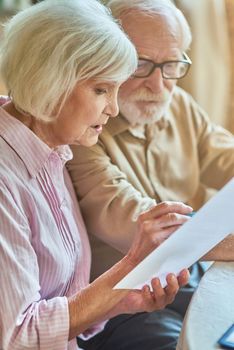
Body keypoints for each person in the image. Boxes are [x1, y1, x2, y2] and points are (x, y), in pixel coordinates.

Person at [0, 1, 193, 349]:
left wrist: (122, 299)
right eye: (102, 90)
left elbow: (61, 302)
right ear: (49, 82)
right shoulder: (5, 178)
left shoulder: (53, 149)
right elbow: (18, 335)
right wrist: (132, 262)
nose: (114, 108)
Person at [67, 0, 234, 349]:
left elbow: (227, 156)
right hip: (120, 307)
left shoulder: (179, 103)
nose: (158, 86)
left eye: (171, 65)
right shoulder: (84, 127)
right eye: (140, 64)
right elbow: (142, 226)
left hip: (189, 277)